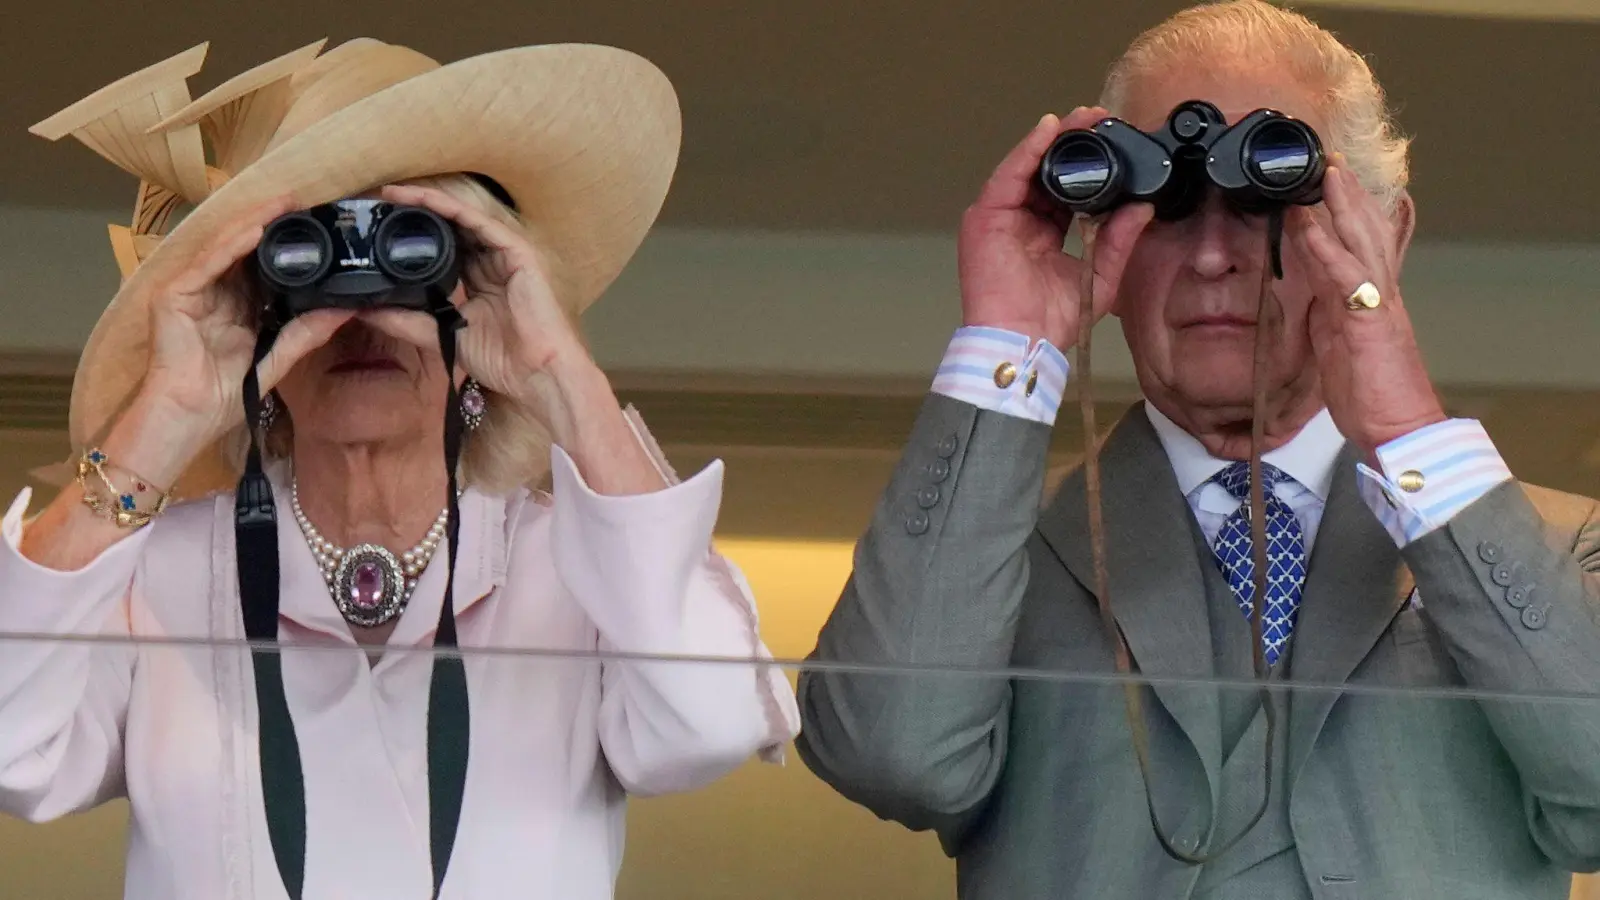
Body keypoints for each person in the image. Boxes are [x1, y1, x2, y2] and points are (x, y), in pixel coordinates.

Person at [795, 2, 1600, 898]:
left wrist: (1408, 428)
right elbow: (886, 755)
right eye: (1165, 206)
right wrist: (1005, 340)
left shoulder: (1564, 545)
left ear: (1388, 237)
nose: (1214, 255)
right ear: (1100, 228)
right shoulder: (992, 555)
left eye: (1269, 197)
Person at [0, 37, 799, 899]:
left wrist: (559, 378)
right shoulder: (156, 573)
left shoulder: (582, 568)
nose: (362, 312)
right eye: (304, 263)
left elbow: (709, 723)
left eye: (414, 255)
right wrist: (167, 413)